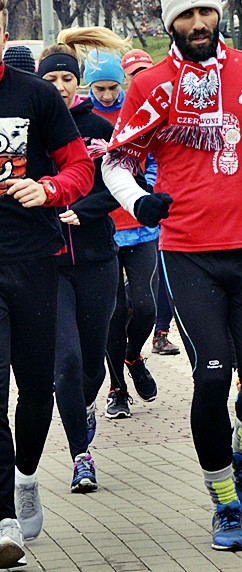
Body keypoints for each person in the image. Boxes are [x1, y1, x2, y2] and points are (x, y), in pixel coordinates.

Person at [101, 0, 242, 552]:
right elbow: (115, 162)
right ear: (170, 23)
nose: (198, 24)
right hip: (189, 253)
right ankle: (224, 506)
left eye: (206, 13)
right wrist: (140, 200)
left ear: (218, 14)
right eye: (186, 16)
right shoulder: (154, 88)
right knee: (212, 377)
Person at [0, 0, 94, 565]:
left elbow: (81, 166)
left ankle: (26, 476)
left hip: (34, 259)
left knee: (35, 392)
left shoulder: (34, 95)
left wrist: (49, 189)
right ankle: (4, 520)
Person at [39, 31, 129, 494]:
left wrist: (86, 209)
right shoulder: (29, 131)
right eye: (50, 78)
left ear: (79, 82)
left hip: (96, 258)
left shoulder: (99, 130)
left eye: (67, 77)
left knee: (92, 362)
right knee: (67, 363)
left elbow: (119, 184)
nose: (59, 85)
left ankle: (88, 403)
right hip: (50, 265)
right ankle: (81, 456)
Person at [85, 50, 161, 417]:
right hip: (104, 225)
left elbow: (155, 154)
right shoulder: (84, 119)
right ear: (89, 85)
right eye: (100, 88)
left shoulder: (135, 109)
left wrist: (147, 187)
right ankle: (117, 388)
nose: (107, 96)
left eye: (113, 88)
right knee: (113, 312)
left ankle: (133, 356)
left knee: (146, 305)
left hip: (140, 223)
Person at [120, 48, 180, 357]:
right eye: (135, 75)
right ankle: (119, 375)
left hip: (148, 219)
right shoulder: (116, 113)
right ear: (126, 79)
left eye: (146, 72)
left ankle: (156, 335)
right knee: (116, 307)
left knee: (153, 293)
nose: (141, 80)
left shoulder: (161, 109)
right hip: (110, 222)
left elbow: (160, 158)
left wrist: (151, 191)